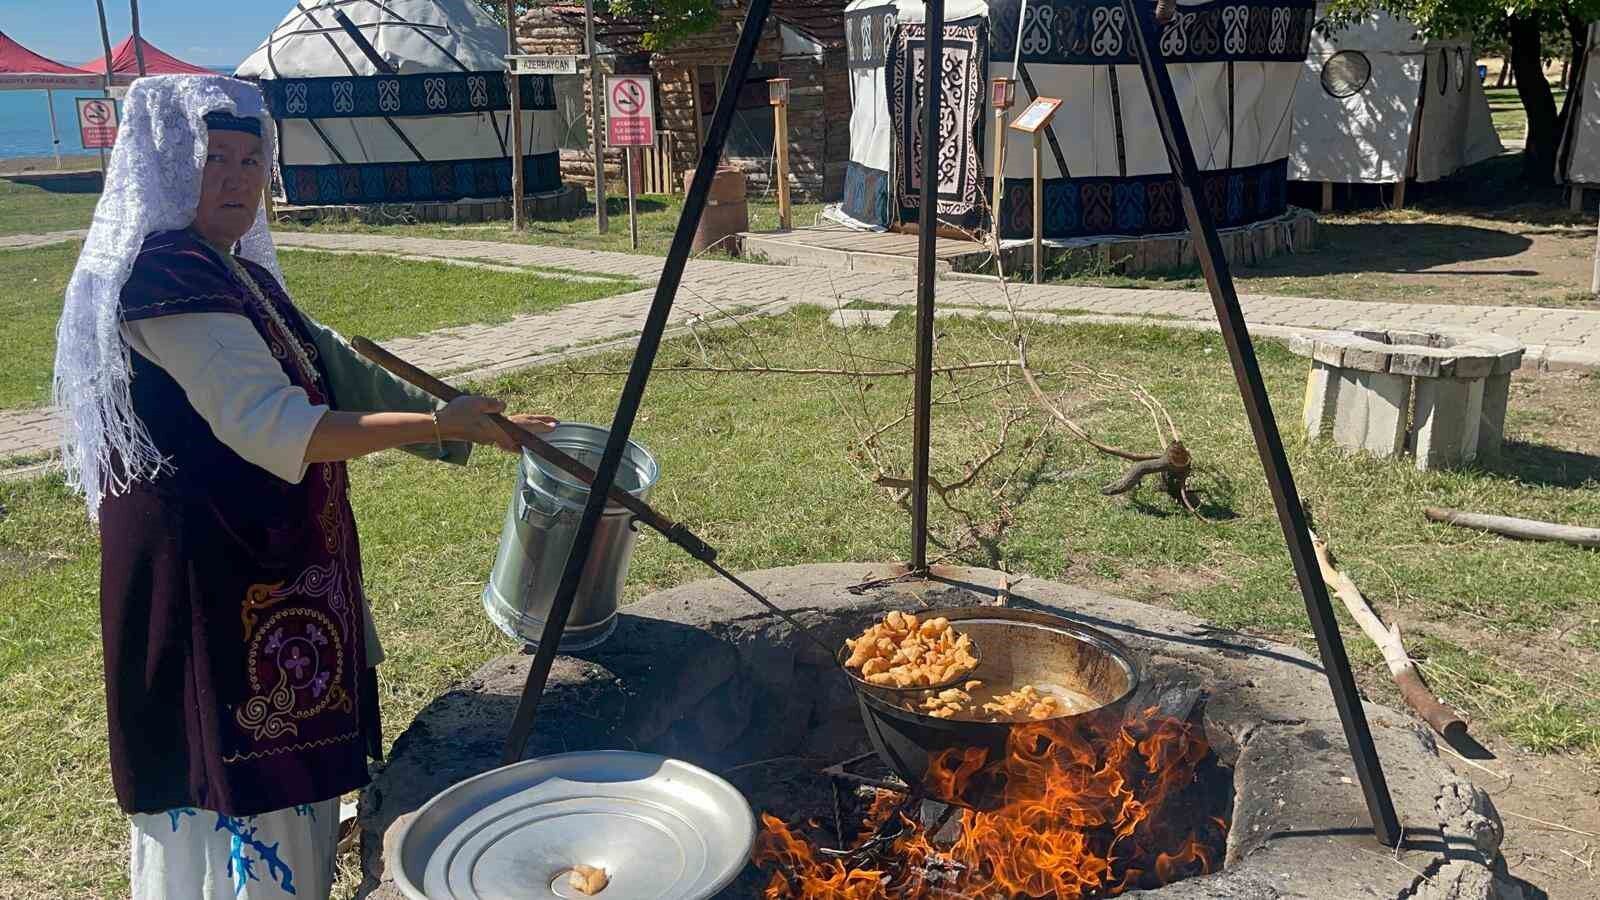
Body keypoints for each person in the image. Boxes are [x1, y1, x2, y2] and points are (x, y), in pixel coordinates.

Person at [51, 75, 555, 899]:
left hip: (263, 561)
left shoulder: (228, 269)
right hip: (207, 580)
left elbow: (336, 368)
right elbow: (274, 422)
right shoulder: (166, 281)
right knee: (231, 774)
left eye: (253, 159)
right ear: (169, 164)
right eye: (215, 158)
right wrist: (440, 426)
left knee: (280, 764)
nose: (239, 179)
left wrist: (478, 423)